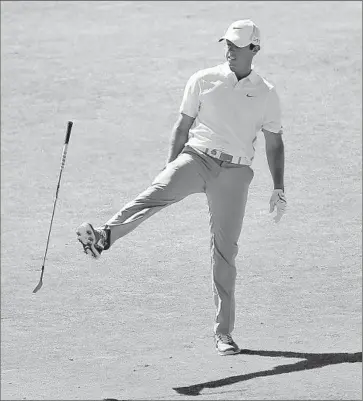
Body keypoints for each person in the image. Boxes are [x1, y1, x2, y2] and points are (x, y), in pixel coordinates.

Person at [76, 19, 287, 356]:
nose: (229, 50)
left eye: (237, 45)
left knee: (225, 252)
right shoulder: (203, 80)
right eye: (227, 44)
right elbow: (183, 125)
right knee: (155, 193)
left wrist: (279, 186)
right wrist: (171, 165)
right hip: (197, 157)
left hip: (235, 173)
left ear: (254, 49)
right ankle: (104, 237)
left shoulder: (266, 93)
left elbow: (274, 143)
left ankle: (224, 334)